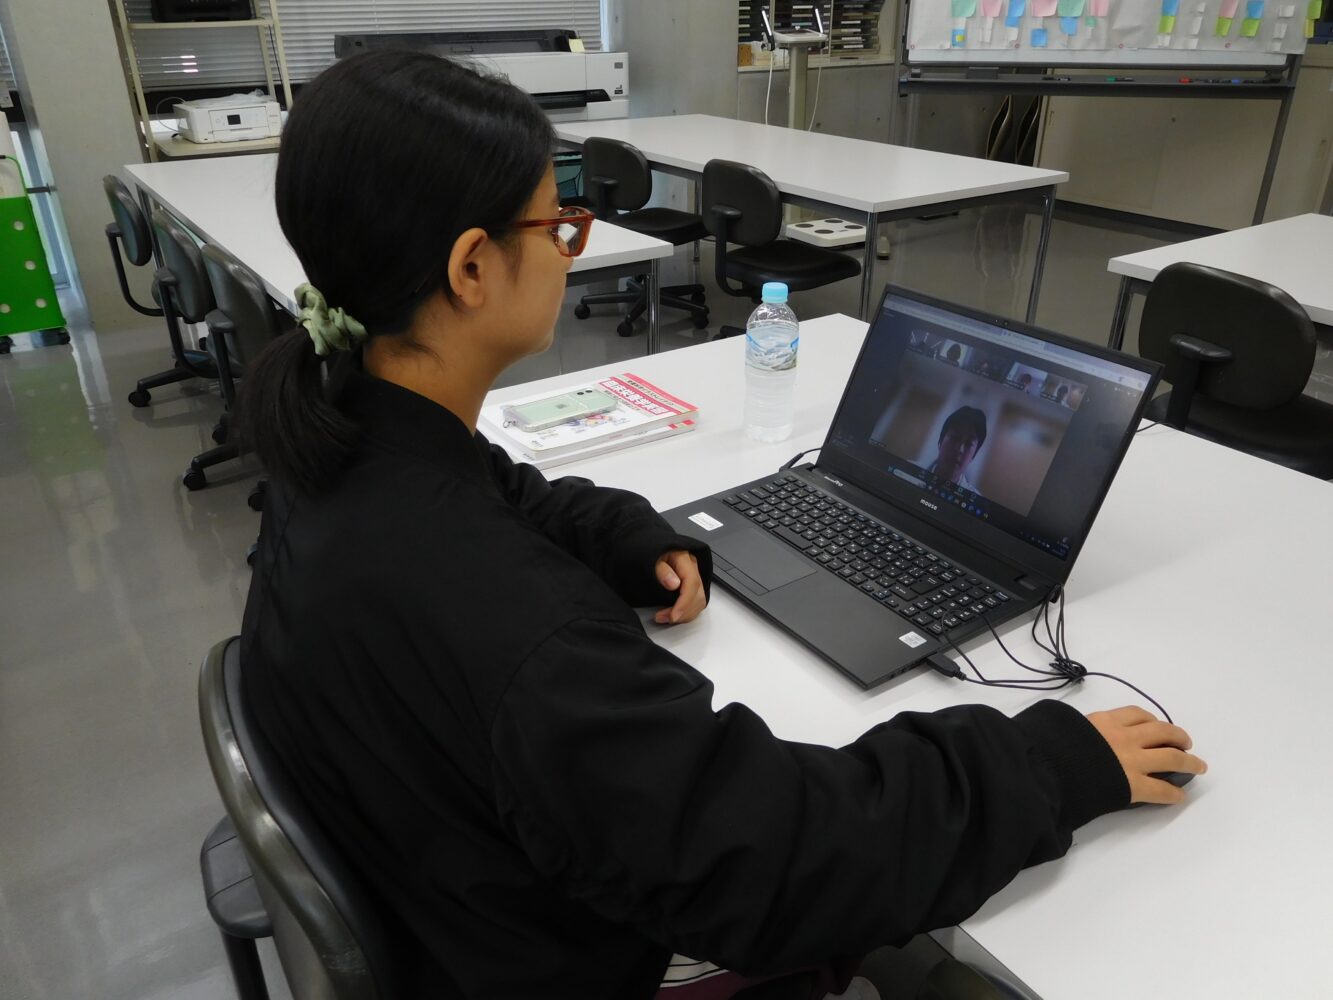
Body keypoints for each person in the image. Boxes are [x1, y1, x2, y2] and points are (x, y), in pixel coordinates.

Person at [238, 52, 1206, 1000]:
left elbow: (508, 496)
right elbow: (775, 858)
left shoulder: (336, 435)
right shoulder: (522, 634)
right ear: (471, 268)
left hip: (448, 894)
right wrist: (1044, 767)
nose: (571, 248)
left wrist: (631, 541)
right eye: (558, 226)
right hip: (577, 956)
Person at [928, 406, 988, 495]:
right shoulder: (910, 472)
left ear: (974, 455)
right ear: (940, 441)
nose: (960, 450)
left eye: (968, 444)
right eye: (955, 438)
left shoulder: (974, 499)